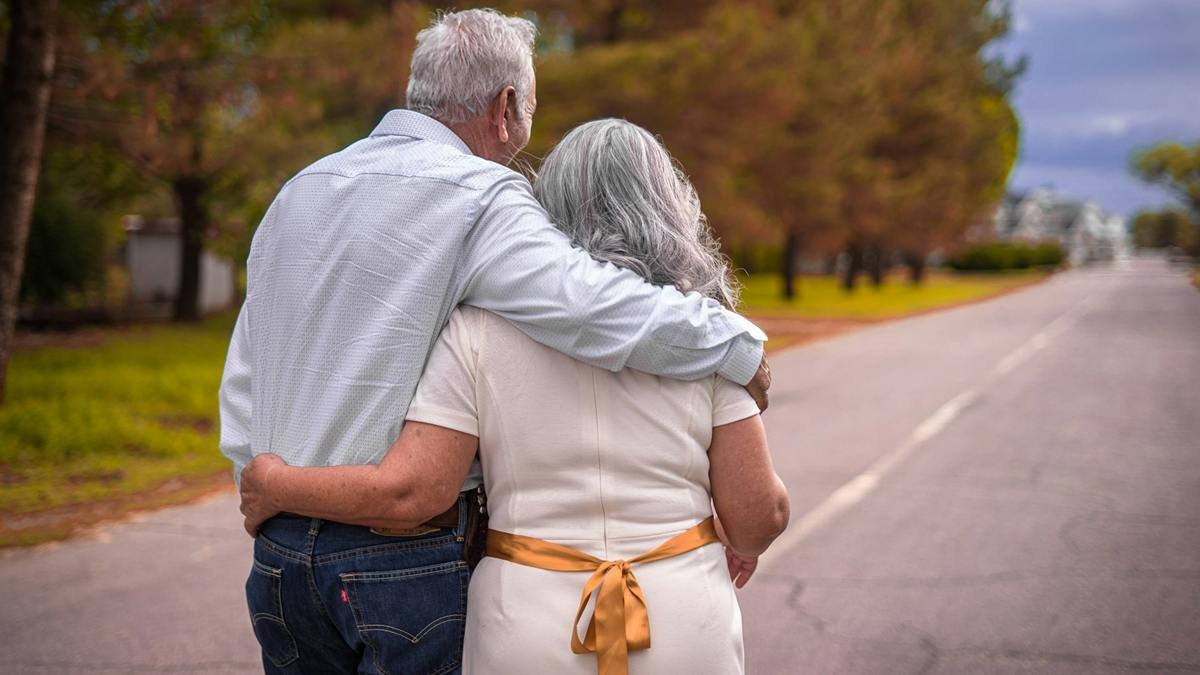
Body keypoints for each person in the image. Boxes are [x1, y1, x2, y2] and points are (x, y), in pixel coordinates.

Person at [218, 9, 770, 675]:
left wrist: (266, 484)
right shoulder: (484, 196)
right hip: (401, 561)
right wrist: (738, 343)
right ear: (505, 107)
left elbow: (246, 371)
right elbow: (594, 307)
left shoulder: (298, 192)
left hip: (280, 556)